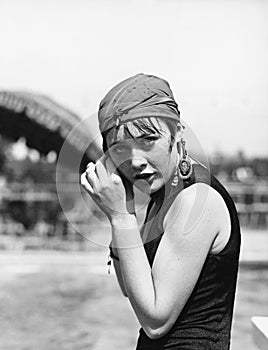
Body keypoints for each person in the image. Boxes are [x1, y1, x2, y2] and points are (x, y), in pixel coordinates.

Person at [81, 73, 241, 349]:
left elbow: (156, 322)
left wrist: (122, 217)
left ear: (177, 133)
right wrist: (120, 210)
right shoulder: (163, 194)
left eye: (147, 140)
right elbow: (129, 288)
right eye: (121, 149)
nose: (135, 161)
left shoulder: (196, 200)